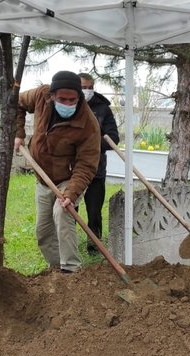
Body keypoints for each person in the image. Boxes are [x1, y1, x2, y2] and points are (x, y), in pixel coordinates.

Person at [13, 71, 101, 273]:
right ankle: (55, 271)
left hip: (68, 179)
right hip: (42, 178)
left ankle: (71, 270)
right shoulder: (40, 95)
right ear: (52, 96)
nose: (68, 104)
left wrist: (71, 193)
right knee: (43, 231)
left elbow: (86, 165)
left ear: (79, 97)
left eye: (73, 100)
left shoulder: (88, 123)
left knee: (62, 213)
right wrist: (18, 133)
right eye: (63, 99)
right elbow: (16, 103)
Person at [78, 73, 120, 255]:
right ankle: (68, 246)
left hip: (96, 169)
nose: (86, 91)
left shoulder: (103, 109)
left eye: (89, 87)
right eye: (83, 87)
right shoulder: (68, 105)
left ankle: (94, 248)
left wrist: (91, 145)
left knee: (94, 211)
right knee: (69, 209)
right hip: (71, 170)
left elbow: (113, 137)